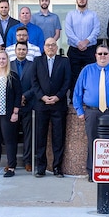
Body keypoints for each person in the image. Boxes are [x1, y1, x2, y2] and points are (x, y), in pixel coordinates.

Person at [72, 45, 109, 178]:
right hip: (92, 112)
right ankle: (92, 172)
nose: (103, 56)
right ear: (95, 55)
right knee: (92, 141)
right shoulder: (87, 70)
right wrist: (79, 110)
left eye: (105, 53)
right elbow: (77, 91)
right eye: (100, 54)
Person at [28, 37, 70, 177]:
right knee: (41, 137)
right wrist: (42, 97)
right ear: (44, 47)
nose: (50, 47)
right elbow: (33, 82)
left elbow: (67, 81)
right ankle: (41, 168)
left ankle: (57, 167)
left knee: (58, 137)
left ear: (56, 47)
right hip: (42, 105)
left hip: (59, 105)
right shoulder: (37, 61)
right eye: (48, 45)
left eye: (53, 45)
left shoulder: (64, 61)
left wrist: (58, 96)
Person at [9, 41, 35, 171]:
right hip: (11, 106)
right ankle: (10, 161)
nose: (21, 51)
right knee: (10, 135)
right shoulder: (9, 65)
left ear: (27, 51)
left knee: (28, 135)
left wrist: (24, 96)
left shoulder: (33, 65)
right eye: (19, 49)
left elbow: (35, 84)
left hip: (27, 104)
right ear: (15, 50)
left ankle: (27, 161)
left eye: (23, 49)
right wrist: (16, 99)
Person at [64, 0, 99, 83]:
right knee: (74, 75)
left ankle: (89, 96)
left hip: (90, 49)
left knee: (91, 74)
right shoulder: (70, 15)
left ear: (87, 0)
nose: (82, 0)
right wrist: (78, 43)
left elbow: (96, 30)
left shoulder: (93, 14)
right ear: (76, 1)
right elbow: (68, 31)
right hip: (74, 49)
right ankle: (74, 96)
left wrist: (86, 42)